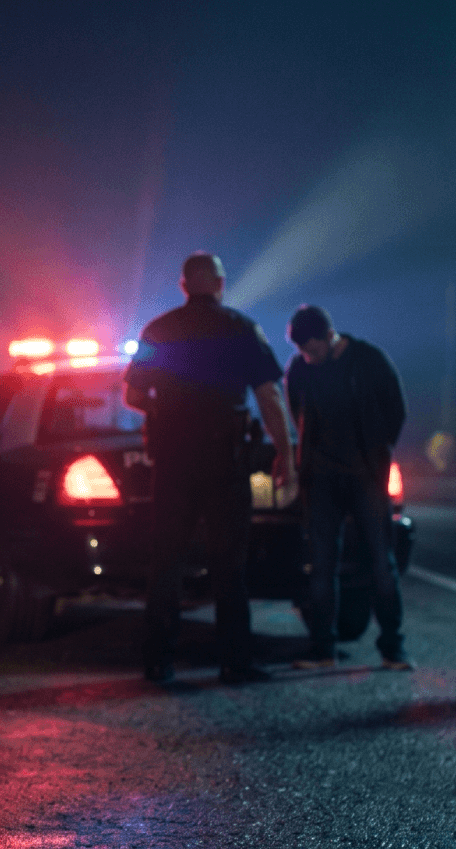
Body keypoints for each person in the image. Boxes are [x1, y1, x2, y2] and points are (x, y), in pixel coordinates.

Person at [124, 252, 296, 685]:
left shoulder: (158, 330)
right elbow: (269, 396)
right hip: (226, 461)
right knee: (229, 564)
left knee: (167, 560)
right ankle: (234, 662)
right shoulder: (241, 328)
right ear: (220, 283)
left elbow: (132, 394)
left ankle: (157, 661)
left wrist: (164, 411)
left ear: (184, 286)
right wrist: (286, 455)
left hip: (174, 461)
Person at [281, 305, 410, 671]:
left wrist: (375, 453)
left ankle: (393, 648)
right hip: (321, 480)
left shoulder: (368, 360)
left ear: (329, 337)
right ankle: (323, 650)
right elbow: (297, 413)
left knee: (381, 563)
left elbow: (395, 409)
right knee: (321, 566)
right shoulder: (300, 368)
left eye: (313, 349)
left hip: (365, 476)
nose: (309, 357)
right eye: (303, 351)